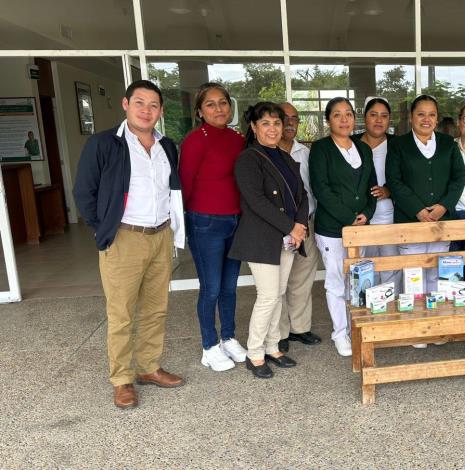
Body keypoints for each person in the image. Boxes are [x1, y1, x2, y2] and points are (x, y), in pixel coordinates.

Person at [73, 80, 186, 409]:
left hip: (160, 236)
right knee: (121, 313)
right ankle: (122, 379)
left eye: (153, 105)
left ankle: (148, 367)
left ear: (161, 111)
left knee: (155, 309)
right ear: (125, 104)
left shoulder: (168, 146)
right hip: (123, 238)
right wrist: (103, 228)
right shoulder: (104, 144)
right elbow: (84, 192)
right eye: (140, 103)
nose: (146, 110)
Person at [230, 102, 309, 379]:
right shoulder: (249, 159)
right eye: (265, 123)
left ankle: (273, 347)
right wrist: (292, 227)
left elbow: (302, 195)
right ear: (254, 127)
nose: (273, 128)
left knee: (278, 294)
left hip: (287, 238)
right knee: (267, 296)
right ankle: (254, 353)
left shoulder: (285, 157)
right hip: (262, 238)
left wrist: (299, 226)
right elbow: (257, 201)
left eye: (276, 123)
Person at [179, 82, 247, 372]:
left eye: (223, 103)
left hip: (235, 220)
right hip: (205, 221)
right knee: (211, 288)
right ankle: (209, 345)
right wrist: (185, 223)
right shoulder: (195, 140)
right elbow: (183, 184)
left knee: (230, 287)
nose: (219, 108)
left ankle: (228, 336)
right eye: (211, 104)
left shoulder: (237, 139)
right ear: (199, 111)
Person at [309, 97, 377, 357]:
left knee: (358, 282)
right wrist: (349, 217)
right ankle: (340, 334)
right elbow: (322, 190)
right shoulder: (321, 149)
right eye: (337, 115)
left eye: (348, 114)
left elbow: (372, 187)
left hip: (361, 227)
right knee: (337, 282)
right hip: (333, 229)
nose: (344, 119)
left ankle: (356, 327)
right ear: (328, 120)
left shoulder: (363, 148)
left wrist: (367, 213)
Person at [385, 94, 465, 296]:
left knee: (437, 275)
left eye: (431, 114)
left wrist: (444, 206)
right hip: (410, 222)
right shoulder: (398, 145)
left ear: (437, 118)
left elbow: (459, 178)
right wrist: (417, 210)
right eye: (421, 114)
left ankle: (435, 322)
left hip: (441, 222)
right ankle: (415, 323)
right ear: (411, 117)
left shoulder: (449, 144)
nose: (426, 119)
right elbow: (394, 181)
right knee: (413, 276)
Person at [276, 102, 322, 354]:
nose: (290, 123)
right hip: (280, 227)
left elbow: (312, 190)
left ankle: (300, 327)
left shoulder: (304, 153)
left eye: (295, 118)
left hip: (307, 225)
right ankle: (280, 332)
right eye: (285, 118)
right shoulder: (264, 153)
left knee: (302, 278)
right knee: (280, 281)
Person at [354, 97, 401, 292]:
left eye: (384, 116)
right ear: (364, 118)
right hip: (362, 219)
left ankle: (390, 319)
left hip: (389, 218)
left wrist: (390, 190)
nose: (378, 120)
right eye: (373, 115)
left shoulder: (398, 144)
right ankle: (367, 318)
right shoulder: (352, 144)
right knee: (365, 271)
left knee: (391, 271)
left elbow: (408, 177)